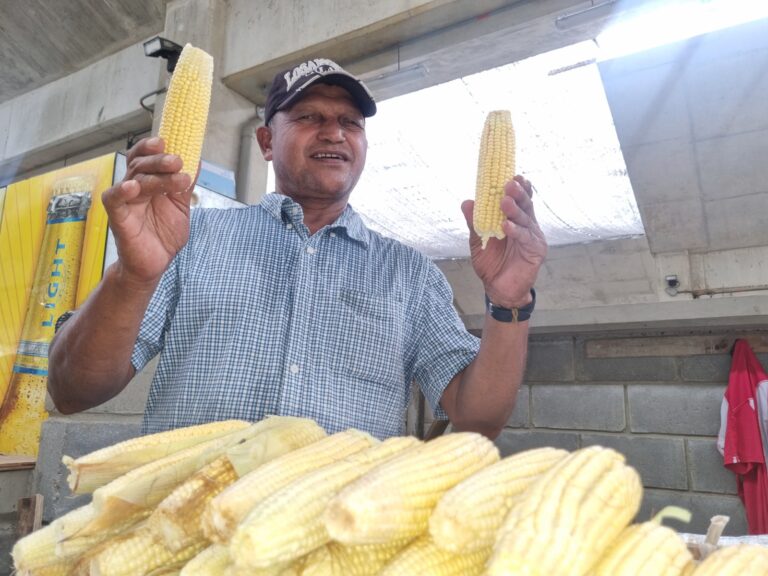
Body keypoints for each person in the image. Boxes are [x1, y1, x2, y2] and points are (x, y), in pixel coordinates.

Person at [47, 58, 547, 440]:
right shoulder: (189, 239)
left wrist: (508, 305)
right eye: (310, 116)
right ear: (266, 141)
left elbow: (477, 419)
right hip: (188, 542)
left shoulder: (409, 273)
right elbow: (71, 391)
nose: (334, 132)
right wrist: (132, 275)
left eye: (351, 123)